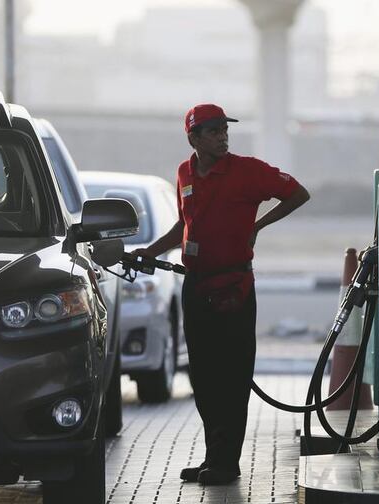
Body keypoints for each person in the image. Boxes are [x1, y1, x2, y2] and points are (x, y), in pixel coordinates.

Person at [133, 104, 310, 485]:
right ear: (193, 138)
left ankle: (227, 463)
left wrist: (258, 225)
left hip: (234, 289)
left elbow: (298, 194)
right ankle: (214, 455)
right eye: (212, 131)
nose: (221, 136)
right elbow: (185, 222)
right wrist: (151, 251)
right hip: (195, 285)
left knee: (231, 378)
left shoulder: (249, 170)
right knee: (203, 377)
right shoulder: (184, 173)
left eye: (223, 130)